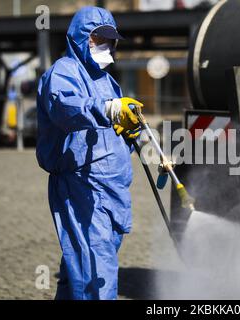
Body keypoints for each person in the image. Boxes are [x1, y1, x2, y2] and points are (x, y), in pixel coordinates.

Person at [36, 6, 143, 300]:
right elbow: (65, 109)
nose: (105, 46)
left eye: (110, 41)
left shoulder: (107, 80)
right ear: (81, 38)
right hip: (81, 183)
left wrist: (134, 132)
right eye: (99, 39)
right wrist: (108, 109)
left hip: (113, 187)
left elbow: (115, 127)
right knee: (96, 267)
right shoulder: (62, 73)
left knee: (84, 262)